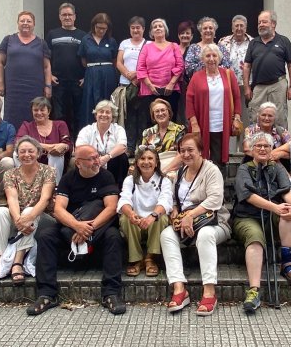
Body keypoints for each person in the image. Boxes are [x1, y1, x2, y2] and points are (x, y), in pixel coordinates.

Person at [29, 145, 125, 316]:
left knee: (114, 236)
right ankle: (47, 294)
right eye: (92, 159)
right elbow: (59, 210)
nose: (97, 161)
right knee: (46, 236)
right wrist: (77, 226)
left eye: (97, 156)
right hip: (72, 226)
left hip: (98, 227)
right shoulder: (68, 179)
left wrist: (88, 228)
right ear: (79, 163)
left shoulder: (106, 176)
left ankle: (111, 293)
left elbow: (111, 208)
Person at [160, 134, 231, 316]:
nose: (186, 154)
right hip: (186, 224)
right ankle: (179, 288)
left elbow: (215, 199)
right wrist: (175, 210)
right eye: (182, 150)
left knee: (205, 234)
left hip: (215, 222)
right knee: (166, 235)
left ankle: (209, 291)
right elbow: (175, 199)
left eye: (190, 150)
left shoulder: (211, 170)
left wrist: (190, 215)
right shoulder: (180, 172)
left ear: (200, 151)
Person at [234, 133, 291, 313]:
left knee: (288, 213)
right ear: (252, 149)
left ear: (272, 149)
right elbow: (249, 196)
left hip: (271, 214)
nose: (263, 149)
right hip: (247, 216)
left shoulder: (277, 168)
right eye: (259, 146)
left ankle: (287, 263)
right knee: (255, 238)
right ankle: (254, 290)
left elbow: (286, 190)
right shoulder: (244, 169)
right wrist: (275, 207)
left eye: (266, 146)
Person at [0, 136, 55, 286]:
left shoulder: (48, 171)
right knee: (0, 212)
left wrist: (27, 217)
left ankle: (18, 261)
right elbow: (12, 199)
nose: (26, 155)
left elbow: (45, 199)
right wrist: (18, 220)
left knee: (29, 210)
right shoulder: (10, 174)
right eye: (22, 152)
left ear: (38, 153)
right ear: (17, 154)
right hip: (20, 219)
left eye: (30, 151)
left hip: (42, 218)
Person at [117, 146, 173, 277]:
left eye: (150, 158)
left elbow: (165, 202)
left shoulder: (164, 181)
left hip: (153, 222)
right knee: (125, 217)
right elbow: (124, 200)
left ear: (156, 162)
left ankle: (150, 258)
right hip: (135, 223)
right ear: (136, 162)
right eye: (142, 158)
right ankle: (136, 259)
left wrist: (152, 216)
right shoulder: (130, 180)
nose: (146, 162)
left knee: (162, 217)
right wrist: (131, 214)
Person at [186, 43, 241, 168]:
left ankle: (218, 184)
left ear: (219, 58)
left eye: (214, 56)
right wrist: (194, 124)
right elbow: (189, 100)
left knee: (219, 158)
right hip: (202, 123)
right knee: (200, 157)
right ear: (202, 59)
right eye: (208, 56)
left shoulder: (228, 74)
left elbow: (237, 97)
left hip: (222, 123)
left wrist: (237, 118)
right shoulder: (196, 77)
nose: (211, 59)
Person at [0, 10, 52, 130]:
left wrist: (48, 86)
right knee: (12, 114)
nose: (25, 23)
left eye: (29, 21)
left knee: (35, 113)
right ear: (17, 23)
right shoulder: (8, 40)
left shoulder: (41, 43)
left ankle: (33, 144)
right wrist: (0, 83)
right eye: (22, 21)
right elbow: (0, 63)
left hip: (35, 87)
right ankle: (11, 143)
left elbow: (47, 67)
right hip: (13, 88)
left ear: (34, 24)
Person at [243, 10, 291, 130]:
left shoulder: (283, 41)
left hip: (278, 85)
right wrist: (246, 87)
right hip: (258, 87)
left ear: (273, 24)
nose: (261, 24)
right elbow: (247, 66)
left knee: (279, 118)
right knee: (255, 117)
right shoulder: (253, 43)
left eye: (264, 22)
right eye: (259, 22)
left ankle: (282, 146)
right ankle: (256, 145)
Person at [46, 2, 87, 134]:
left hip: (78, 81)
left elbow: (88, 58)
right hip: (58, 81)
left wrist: (86, 77)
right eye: (64, 15)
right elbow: (46, 58)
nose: (67, 17)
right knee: (59, 114)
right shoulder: (52, 34)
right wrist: (49, 76)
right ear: (59, 17)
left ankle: (78, 143)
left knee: (78, 114)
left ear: (75, 16)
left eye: (70, 14)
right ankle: (63, 143)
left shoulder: (83, 36)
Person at [15, 97, 71, 184]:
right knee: (17, 152)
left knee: (56, 153)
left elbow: (67, 143)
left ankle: (54, 187)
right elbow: (19, 141)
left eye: (42, 110)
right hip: (32, 161)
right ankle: (25, 183)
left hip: (53, 161)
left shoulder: (60, 125)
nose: (39, 113)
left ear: (48, 111)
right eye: (36, 110)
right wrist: (47, 147)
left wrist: (63, 146)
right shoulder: (26, 126)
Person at [136, 18, 184, 119]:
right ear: (151, 32)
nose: (158, 28)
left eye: (160, 26)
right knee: (151, 121)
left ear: (165, 30)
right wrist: (150, 85)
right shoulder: (146, 47)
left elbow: (180, 66)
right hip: (150, 90)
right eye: (155, 27)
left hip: (170, 90)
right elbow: (140, 68)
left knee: (171, 119)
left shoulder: (174, 46)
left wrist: (171, 84)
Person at [75, 100, 129, 188]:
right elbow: (80, 147)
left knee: (122, 158)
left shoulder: (118, 129)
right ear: (96, 115)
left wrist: (107, 157)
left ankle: (117, 188)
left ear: (113, 116)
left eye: (108, 112)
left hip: (112, 164)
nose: (104, 115)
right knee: (80, 159)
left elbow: (122, 146)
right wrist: (95, 158)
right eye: (101, 112)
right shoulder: (87, 130)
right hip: (91, 163)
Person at [78, 12, 119, 128]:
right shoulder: (86, 39)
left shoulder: (111, 41)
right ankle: (89, 131)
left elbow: (115, 60)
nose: (101, 31)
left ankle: (109, 130)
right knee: (90, 101)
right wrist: (92, 70)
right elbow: (83, 60)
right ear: (93, 26)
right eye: (99, 28)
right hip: (91, 73)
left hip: (108, 74)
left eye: (104, 28)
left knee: (107, 101)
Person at [115, 16, 149, 155]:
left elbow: (151, 65)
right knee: (128, 116)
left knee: (143, 116)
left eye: (138, 27)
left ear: (143, 29)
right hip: (126, 84)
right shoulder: (124, 43)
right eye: (133, 27)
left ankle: (141, 147)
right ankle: (129, 147)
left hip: (142, 84)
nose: (135, 30)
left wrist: (138, 75)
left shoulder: (149, 44)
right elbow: (118, 62)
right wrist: (128, 74)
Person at [218, 14, 254, 145]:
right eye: (236, 26)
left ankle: (245, 146)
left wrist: (248, 87)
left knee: (246, 116)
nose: (239, 28)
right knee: (229, 116)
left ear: (246, 27)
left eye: (241, 26)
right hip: (227, 85)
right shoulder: (223, 41)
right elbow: (218, 62)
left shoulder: (253, 42)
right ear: (232, 28)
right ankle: (231, 149)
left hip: (247, 85)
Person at [140, 98, 185, 174]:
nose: (160, 113)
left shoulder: (179, 130)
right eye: (157, 111)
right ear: (153, 116)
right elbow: (143, 155)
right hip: (152, 167)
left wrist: (164, 171)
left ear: (169, 113)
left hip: (173, 168)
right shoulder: (148, 132)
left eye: (163, 110)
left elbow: (181, 155)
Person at [183, 17, 231, 84]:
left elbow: (227, 66)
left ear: (214, 31)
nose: (208, 30)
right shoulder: (193, 48)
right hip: (198, 85)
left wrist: (208, 67)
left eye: (211, 28)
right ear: (200, 31)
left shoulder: (221, 48)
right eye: (205, 28)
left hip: (219, 85)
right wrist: (211, 66)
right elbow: (189, 69)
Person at [175, 19, 196, 125]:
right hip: (173, 86)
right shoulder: (173, 48)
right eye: (182, 33)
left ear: (192, 36)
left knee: (187, 113)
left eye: (188, 33)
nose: (185, 35)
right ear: (178, 35)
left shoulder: (194, 50)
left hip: (188, 85)